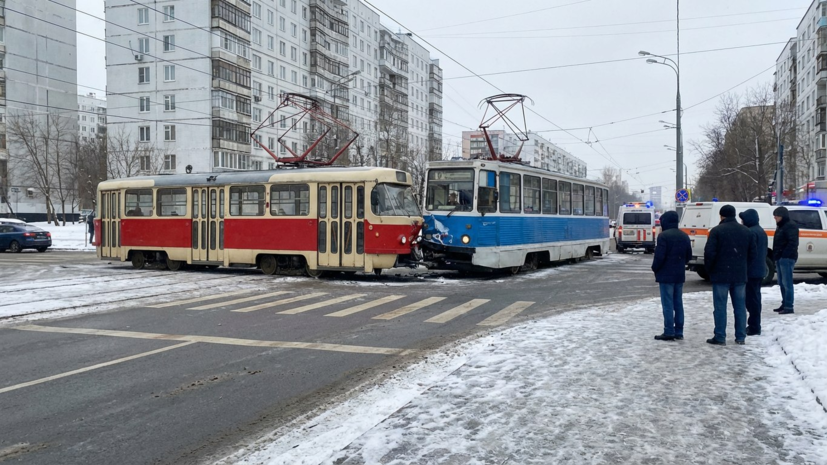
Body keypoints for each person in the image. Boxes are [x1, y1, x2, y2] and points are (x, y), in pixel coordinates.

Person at [703, 204, 756, 346]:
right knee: (740, 307)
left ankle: (720, 336)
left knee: (720, 306)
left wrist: (710, 270)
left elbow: (709, 253)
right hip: (739, 275)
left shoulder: (716, 231)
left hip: (720, 275)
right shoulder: (746, 231)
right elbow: (753, 254)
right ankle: (740, 336)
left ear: (721, 216)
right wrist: (744, 267)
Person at [650, 210, 692, 341]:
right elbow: (688, 256)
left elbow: (659, 257)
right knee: (678, 303)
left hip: (666, 274)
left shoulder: (663, 236)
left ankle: (669, 331)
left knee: (667, 303)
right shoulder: (684, 236)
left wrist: (655, 268)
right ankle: (679, 331)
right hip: (679, 274)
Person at [739, 208, 768, 335]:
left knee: (752, 300)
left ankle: (754, 327)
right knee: (755, 298)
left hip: (752, 271)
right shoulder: (760, 231)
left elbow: (748, 253)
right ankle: (755, 325)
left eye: (743, 219)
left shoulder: (751, 232)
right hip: (759, 269)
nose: (741, 222)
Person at [772, 206, 799, 315]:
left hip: (786, 258)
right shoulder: (781, 226)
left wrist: (784, 255)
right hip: (780, 257)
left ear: (782, 216)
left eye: (777, 216)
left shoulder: (790, 226)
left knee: (787, 283)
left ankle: (788, 305)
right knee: (782, 282)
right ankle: (785, 303)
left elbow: (792, 242)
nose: (775, 218)